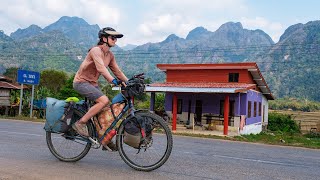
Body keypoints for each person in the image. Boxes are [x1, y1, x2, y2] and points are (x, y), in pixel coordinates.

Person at [72, 27, 128, 147]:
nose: (115, 40)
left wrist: (128, 82)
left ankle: (104, 139)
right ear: (104, 38)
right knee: (104, 100)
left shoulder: (110, 55)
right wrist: (112, 80)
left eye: (116, 38)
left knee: (106, 109)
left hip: (92, 84)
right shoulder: (95, 51)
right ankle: (80, 123)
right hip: (81, 82)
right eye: (113, 38)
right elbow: (101, 68)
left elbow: (117, 71)